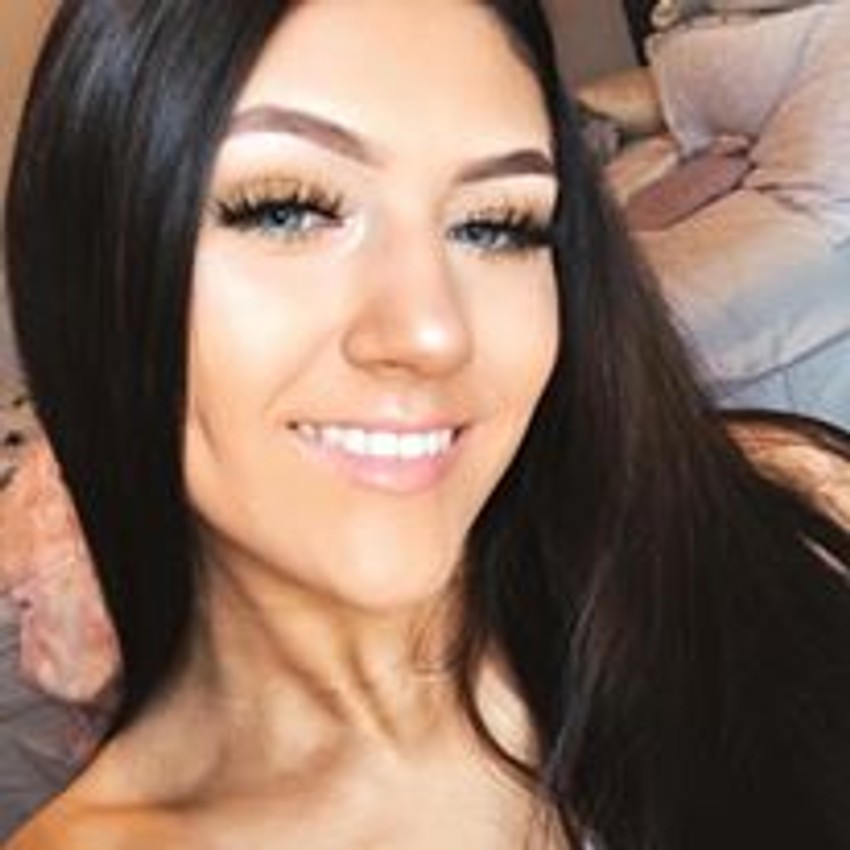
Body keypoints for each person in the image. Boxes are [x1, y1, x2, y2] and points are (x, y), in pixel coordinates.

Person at [4, 1, 850, 847]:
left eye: (496, 225)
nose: (434, 333)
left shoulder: (786, 523)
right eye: (286, 208)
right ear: (91, 271)